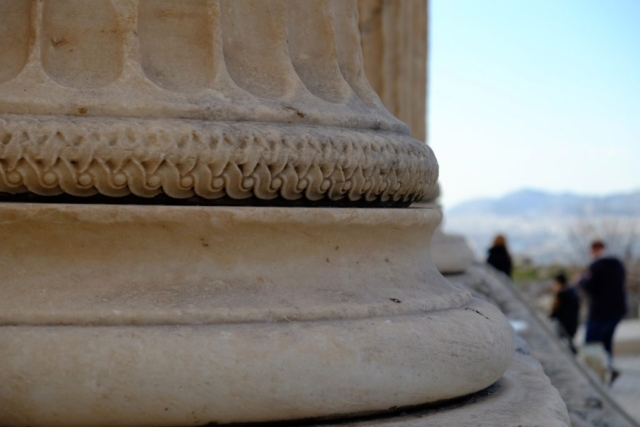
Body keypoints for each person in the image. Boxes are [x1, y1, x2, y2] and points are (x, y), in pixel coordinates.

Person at [579, 240, 627, 382]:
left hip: (599, 312)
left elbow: (590, 287)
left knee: (591, 344)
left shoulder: (597, 265)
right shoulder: (618, 264)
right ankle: (608, 369)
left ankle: (594, 376)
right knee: (606, 343)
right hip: (617, 310)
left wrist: (582, 280)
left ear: (594, 249)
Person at [549, 272, 580, 354]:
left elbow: (554, 311)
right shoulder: (572, 291)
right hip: (573, 324)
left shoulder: (561, 294)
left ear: (558, 283)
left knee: (564, 346)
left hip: (564, 325)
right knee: (569, 343)